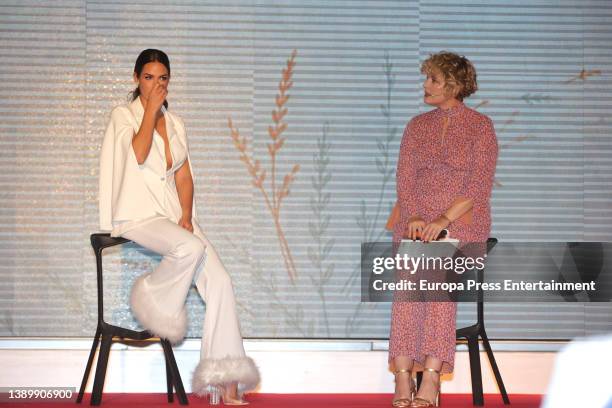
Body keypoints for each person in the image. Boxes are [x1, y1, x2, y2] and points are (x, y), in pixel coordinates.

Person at [99, 49, 259, 405]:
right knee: (189, 248)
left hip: (172, 212)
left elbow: (184, 175)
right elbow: (138, 154)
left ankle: (226, 381)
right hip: (138, 212)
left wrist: (186, 215)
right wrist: (151, 111)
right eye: (149, 77)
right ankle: (152, 298)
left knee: (220, 281)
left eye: (163, 78)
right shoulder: (123, 115)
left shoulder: (176, 124)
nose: (157, 84)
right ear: (136, 79)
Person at [389, 51, 498, 407]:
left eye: (433, 79)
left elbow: (478, 186)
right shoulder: (416, 126)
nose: (426, 85)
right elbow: (405, 179)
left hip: (462, 226)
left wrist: (441, 220)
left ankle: (432, 376)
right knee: (410, 278)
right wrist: (416, 217)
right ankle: (404, 376)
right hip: (415, 224)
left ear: (453, 84)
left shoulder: (481, 126)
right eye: (427, 78)